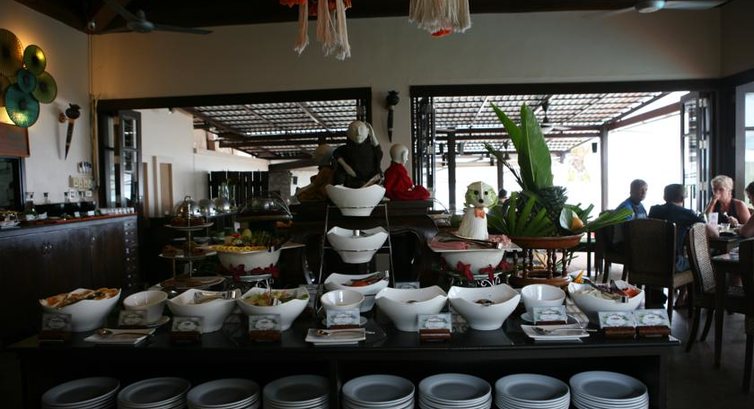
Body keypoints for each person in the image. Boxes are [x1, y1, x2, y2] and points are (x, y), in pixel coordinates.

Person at [648, 184, 719, 272]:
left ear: (664, 197)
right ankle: (711, 281)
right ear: (682, 198)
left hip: (650, 261)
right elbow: (714, 234)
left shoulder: (654, 210)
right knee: (711, 255)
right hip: (674, 264)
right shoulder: (685, 213)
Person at [332, 120, 383, 188]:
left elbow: (379, 154)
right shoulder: (345, 149)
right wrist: (345, 166)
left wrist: (373, 136)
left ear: (367, 132)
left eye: (361, 129)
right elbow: (336, 153)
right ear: (348, 133)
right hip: (352, 182)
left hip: (371, 182)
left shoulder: (371, 148)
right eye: (354, 129)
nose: (358, 133)